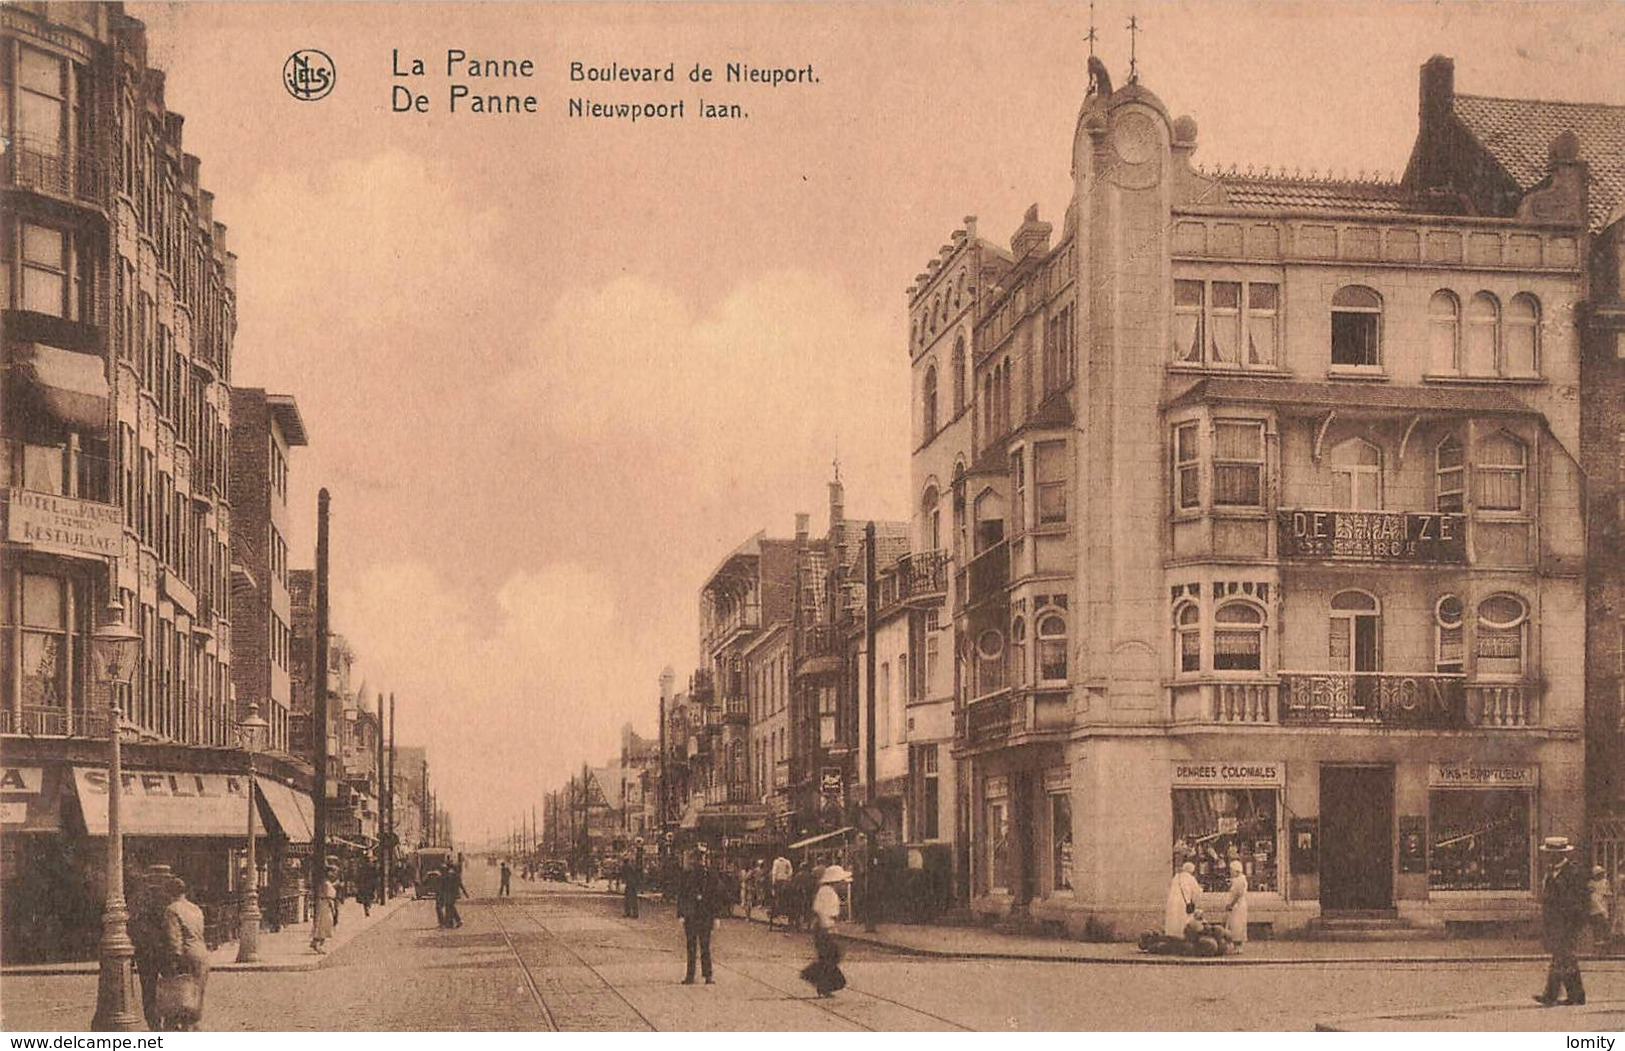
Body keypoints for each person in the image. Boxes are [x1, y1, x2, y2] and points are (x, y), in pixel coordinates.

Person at [1534, 836, 1588, 1006]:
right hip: (1554, 923)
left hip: (1567, 923)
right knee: (1564, 958)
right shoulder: (1550, 872)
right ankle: (1576, 995)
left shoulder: (1573, 872)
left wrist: (1573, 924)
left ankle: (1552, 995)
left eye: (1551, 854)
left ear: (1560, 854)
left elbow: (1578, 900)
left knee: (1562, 957)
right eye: (1548, 853)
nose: (1548, 857)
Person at [160, 876, 209, 1031]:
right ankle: (193, 1026)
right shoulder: (195, 908)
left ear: (169, 893)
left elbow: (174, 938)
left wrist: (174, 960)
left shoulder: (172, 909)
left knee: (180, 992)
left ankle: (181, 1029)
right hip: (201, 952)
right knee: (197, 992)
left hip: (187, 954)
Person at [130, 864, 172, 1030]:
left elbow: (132, 925)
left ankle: (154, 1025)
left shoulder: (138, 898)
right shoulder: (169, 899)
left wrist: (132, 951)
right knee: (170, 986)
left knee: (148, 990)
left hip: (145, 951)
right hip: (164, 951)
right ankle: (168, 1022)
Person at [801, 864, 849, 997]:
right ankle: (817, 979)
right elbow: (821, 911)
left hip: (824, 926)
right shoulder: (827, 891)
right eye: (841, 881)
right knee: (831, 956)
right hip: (824, 927)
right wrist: (828, 927)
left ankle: (821, 983)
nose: (843, 884)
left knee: (829, 956)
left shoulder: (827, 891)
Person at [675, 847, 722, 984]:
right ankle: (690, 976)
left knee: (705, 946)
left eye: (703, 858)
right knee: (691, 946)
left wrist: (716, 916)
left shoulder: (711, 876)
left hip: (705, 915)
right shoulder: (687, 875)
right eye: (698, 858)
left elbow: (715, 897)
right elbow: (682, 896)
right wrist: (681, 914)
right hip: (691, 915)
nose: (701, 861)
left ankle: (707, 975)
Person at [1164, 861, 1202, 938]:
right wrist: (1194, 903)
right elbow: (1197, 893)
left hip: (1171, 902)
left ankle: (1171, 935)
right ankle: (1182, 937)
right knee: (1183, 920)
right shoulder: (1191, 878)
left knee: (1173, 919)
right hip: (1183, 903)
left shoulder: (1176, 877)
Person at [310, 865, 338, 953]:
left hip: (324, 904)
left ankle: (315, 942)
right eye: (333, 872)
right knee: (325, 924)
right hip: (326, 905)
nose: (334, 874)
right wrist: (333, 909)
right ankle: (319, 944)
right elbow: (328, 895)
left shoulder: (326, 882)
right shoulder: (326, 883)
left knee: (322, 924)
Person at [1224, 859, 1249, 953]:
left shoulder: (1240, 880)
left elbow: (1238, 894)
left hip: (1238, 906)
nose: (1230, 872)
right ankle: (1235, 946)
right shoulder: (1238, 879)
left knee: (1237, 925)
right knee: (1234, 925)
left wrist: (1231, 904)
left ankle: (1238, 946)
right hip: (1237, 905)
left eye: (1231, 870)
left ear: (1236, 870)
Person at [1588, 864, 1613, 955]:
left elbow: (1608, 894)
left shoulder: (1605, 882)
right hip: (1595, 909)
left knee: (1604, 929)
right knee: (1597, 930)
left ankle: (1605, 949)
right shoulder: (1591, 884)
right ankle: (1598, 949)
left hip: (1602, 908)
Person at [622, 848, 643, 918]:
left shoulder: (625, 866)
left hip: (630, 883)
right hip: (632, 883)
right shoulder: (630, 866)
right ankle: (634, 913)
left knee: (629, 898)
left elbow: (625, 875)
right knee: (632, 898)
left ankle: (630, 912)